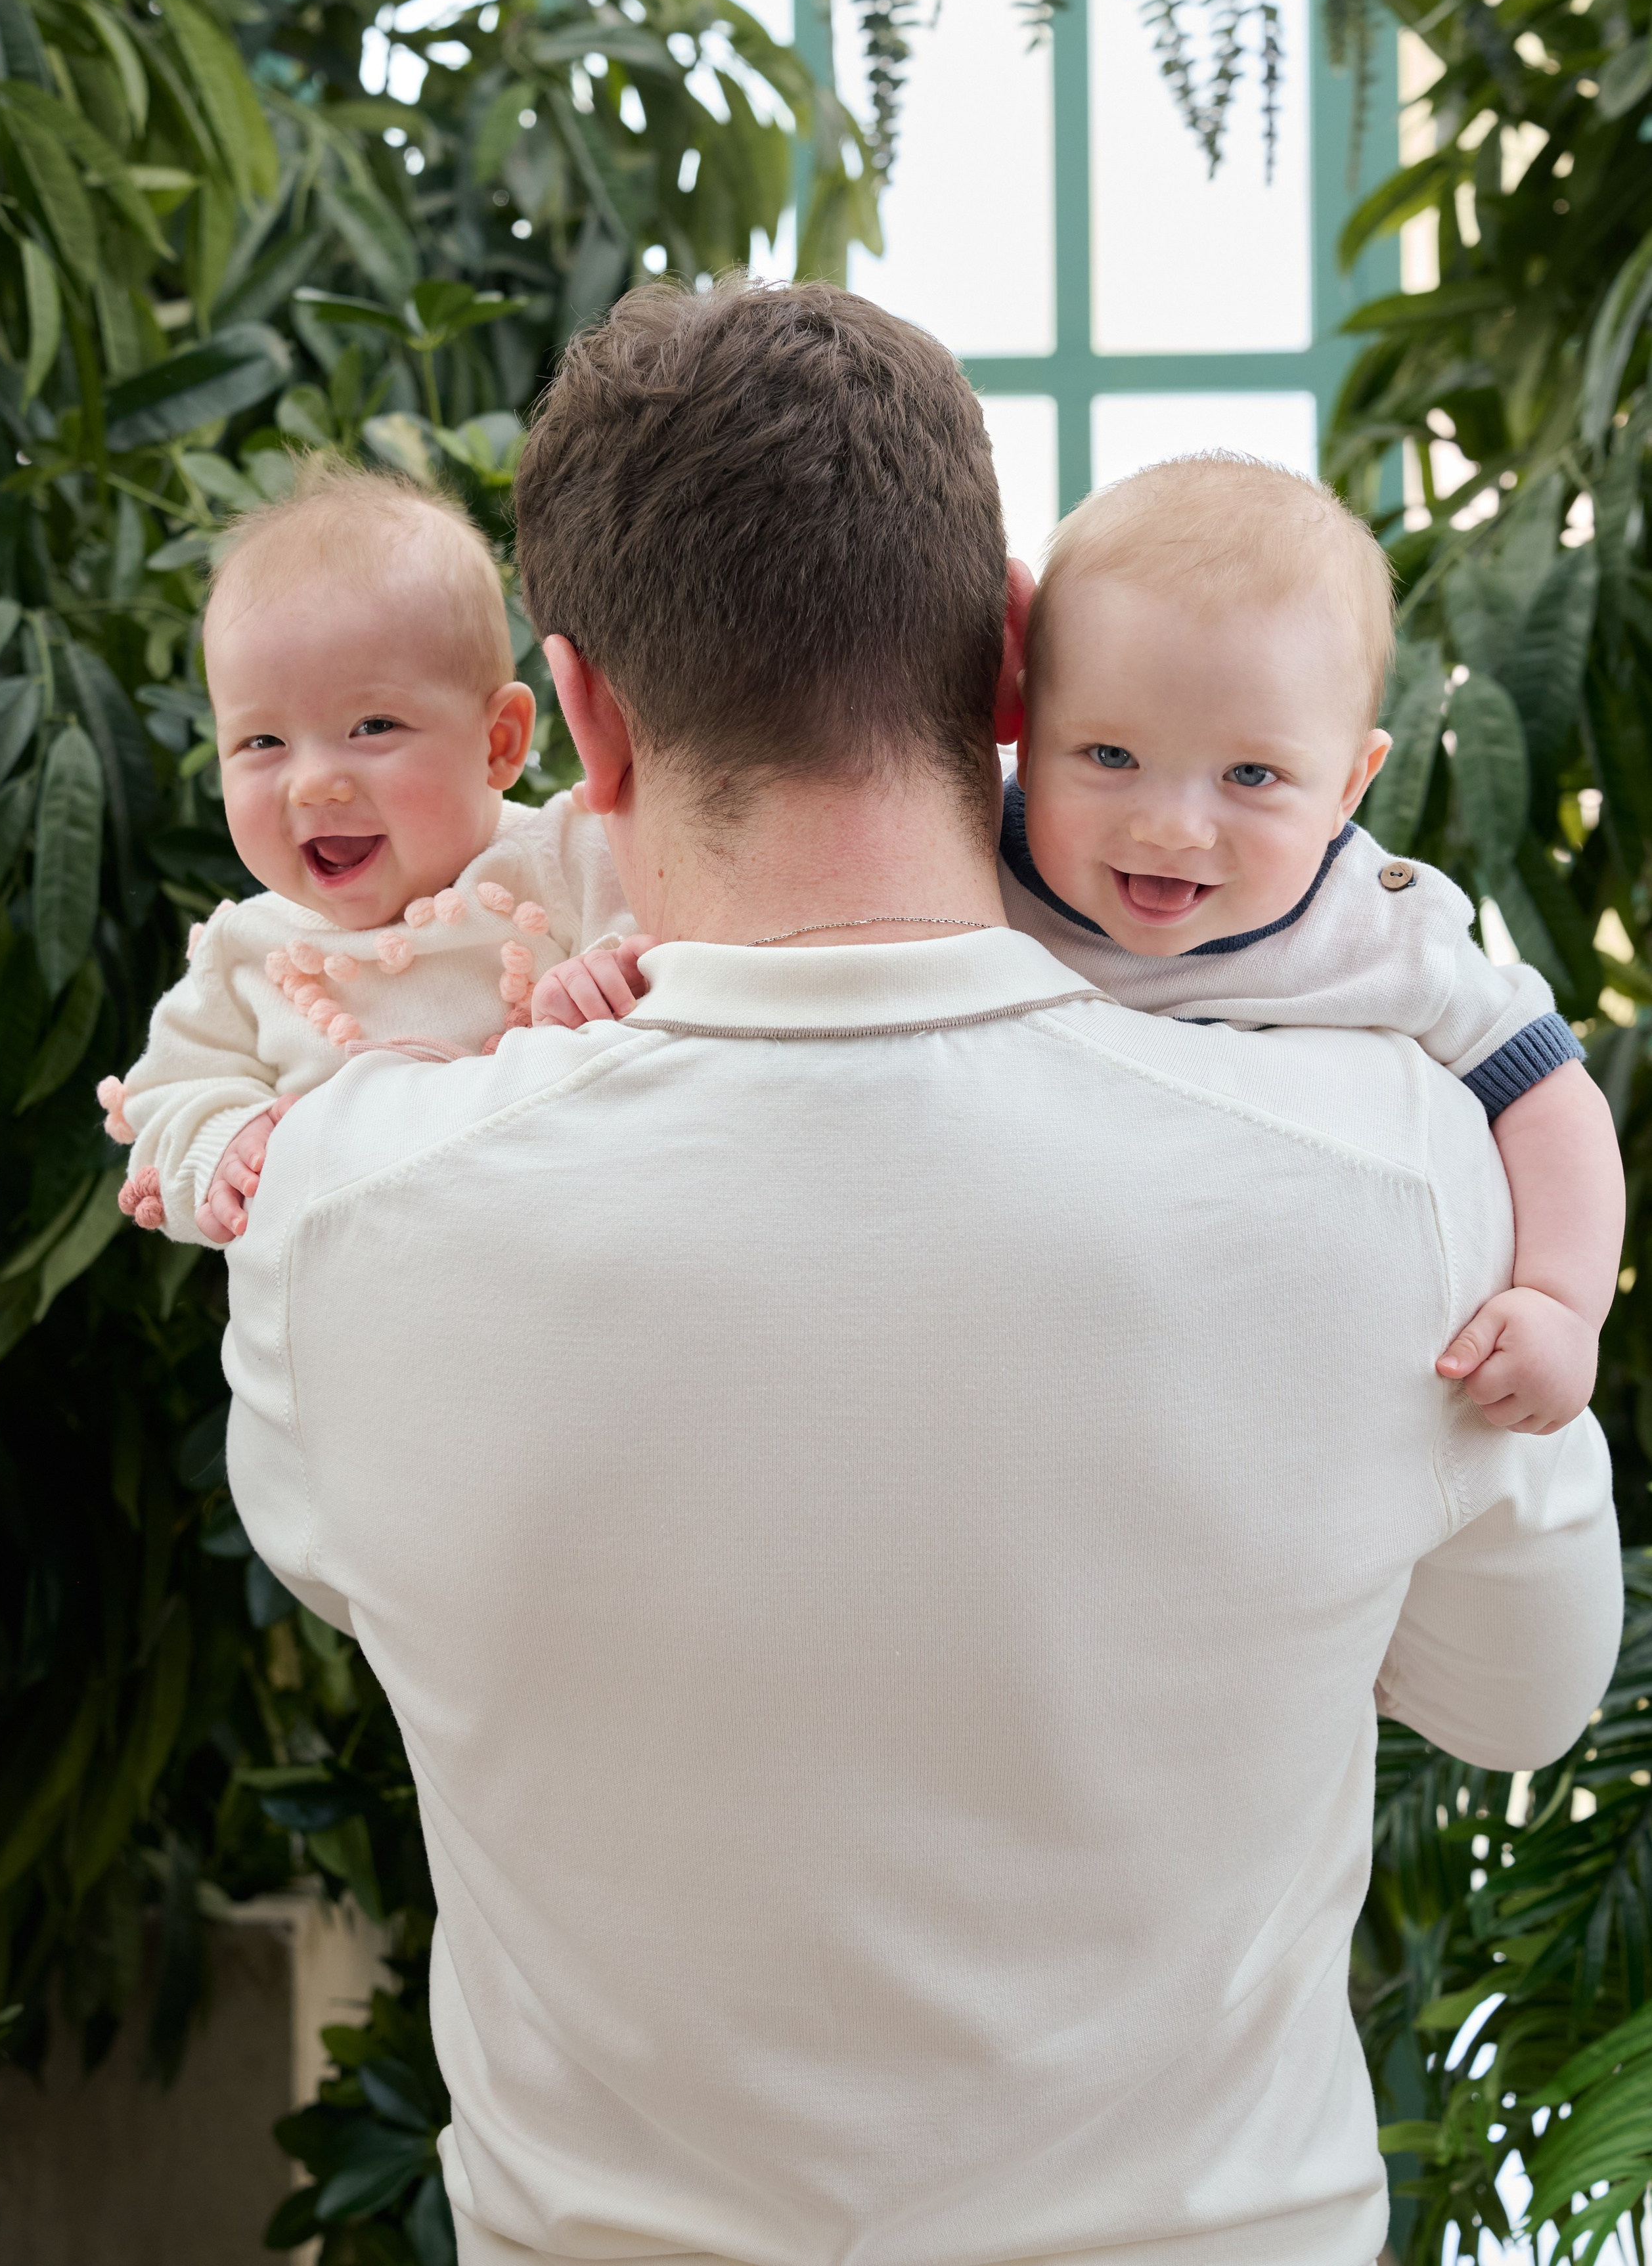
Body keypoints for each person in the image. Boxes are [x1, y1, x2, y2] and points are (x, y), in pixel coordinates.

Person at [225, 280, 1622, 2266]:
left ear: (581, 714)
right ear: (1008, 659)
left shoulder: (337, 1203)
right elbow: (1520, 1694)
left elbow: (355, 1571)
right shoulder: (1392, 1164)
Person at [534, 451, 1623, 1439]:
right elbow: (792, 950)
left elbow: (1545, 1087)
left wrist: (1564, 1300)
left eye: (1251, 776)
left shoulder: (1374, 931)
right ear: (1023, 711)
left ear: (1350, 783)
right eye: (1109, 755)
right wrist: (627, 966)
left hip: (1232, 1347)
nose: (1173, 826)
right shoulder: (967, 858)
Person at [97, 460, 633, 1245]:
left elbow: (693, 970)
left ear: (498, 740)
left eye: (372, 726)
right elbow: (166, 1102)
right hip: (358, 1297)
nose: (313, 782)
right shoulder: (247, 954)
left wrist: (608, 982)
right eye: (262, 741)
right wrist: (224, 1146)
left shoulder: (569, 858)